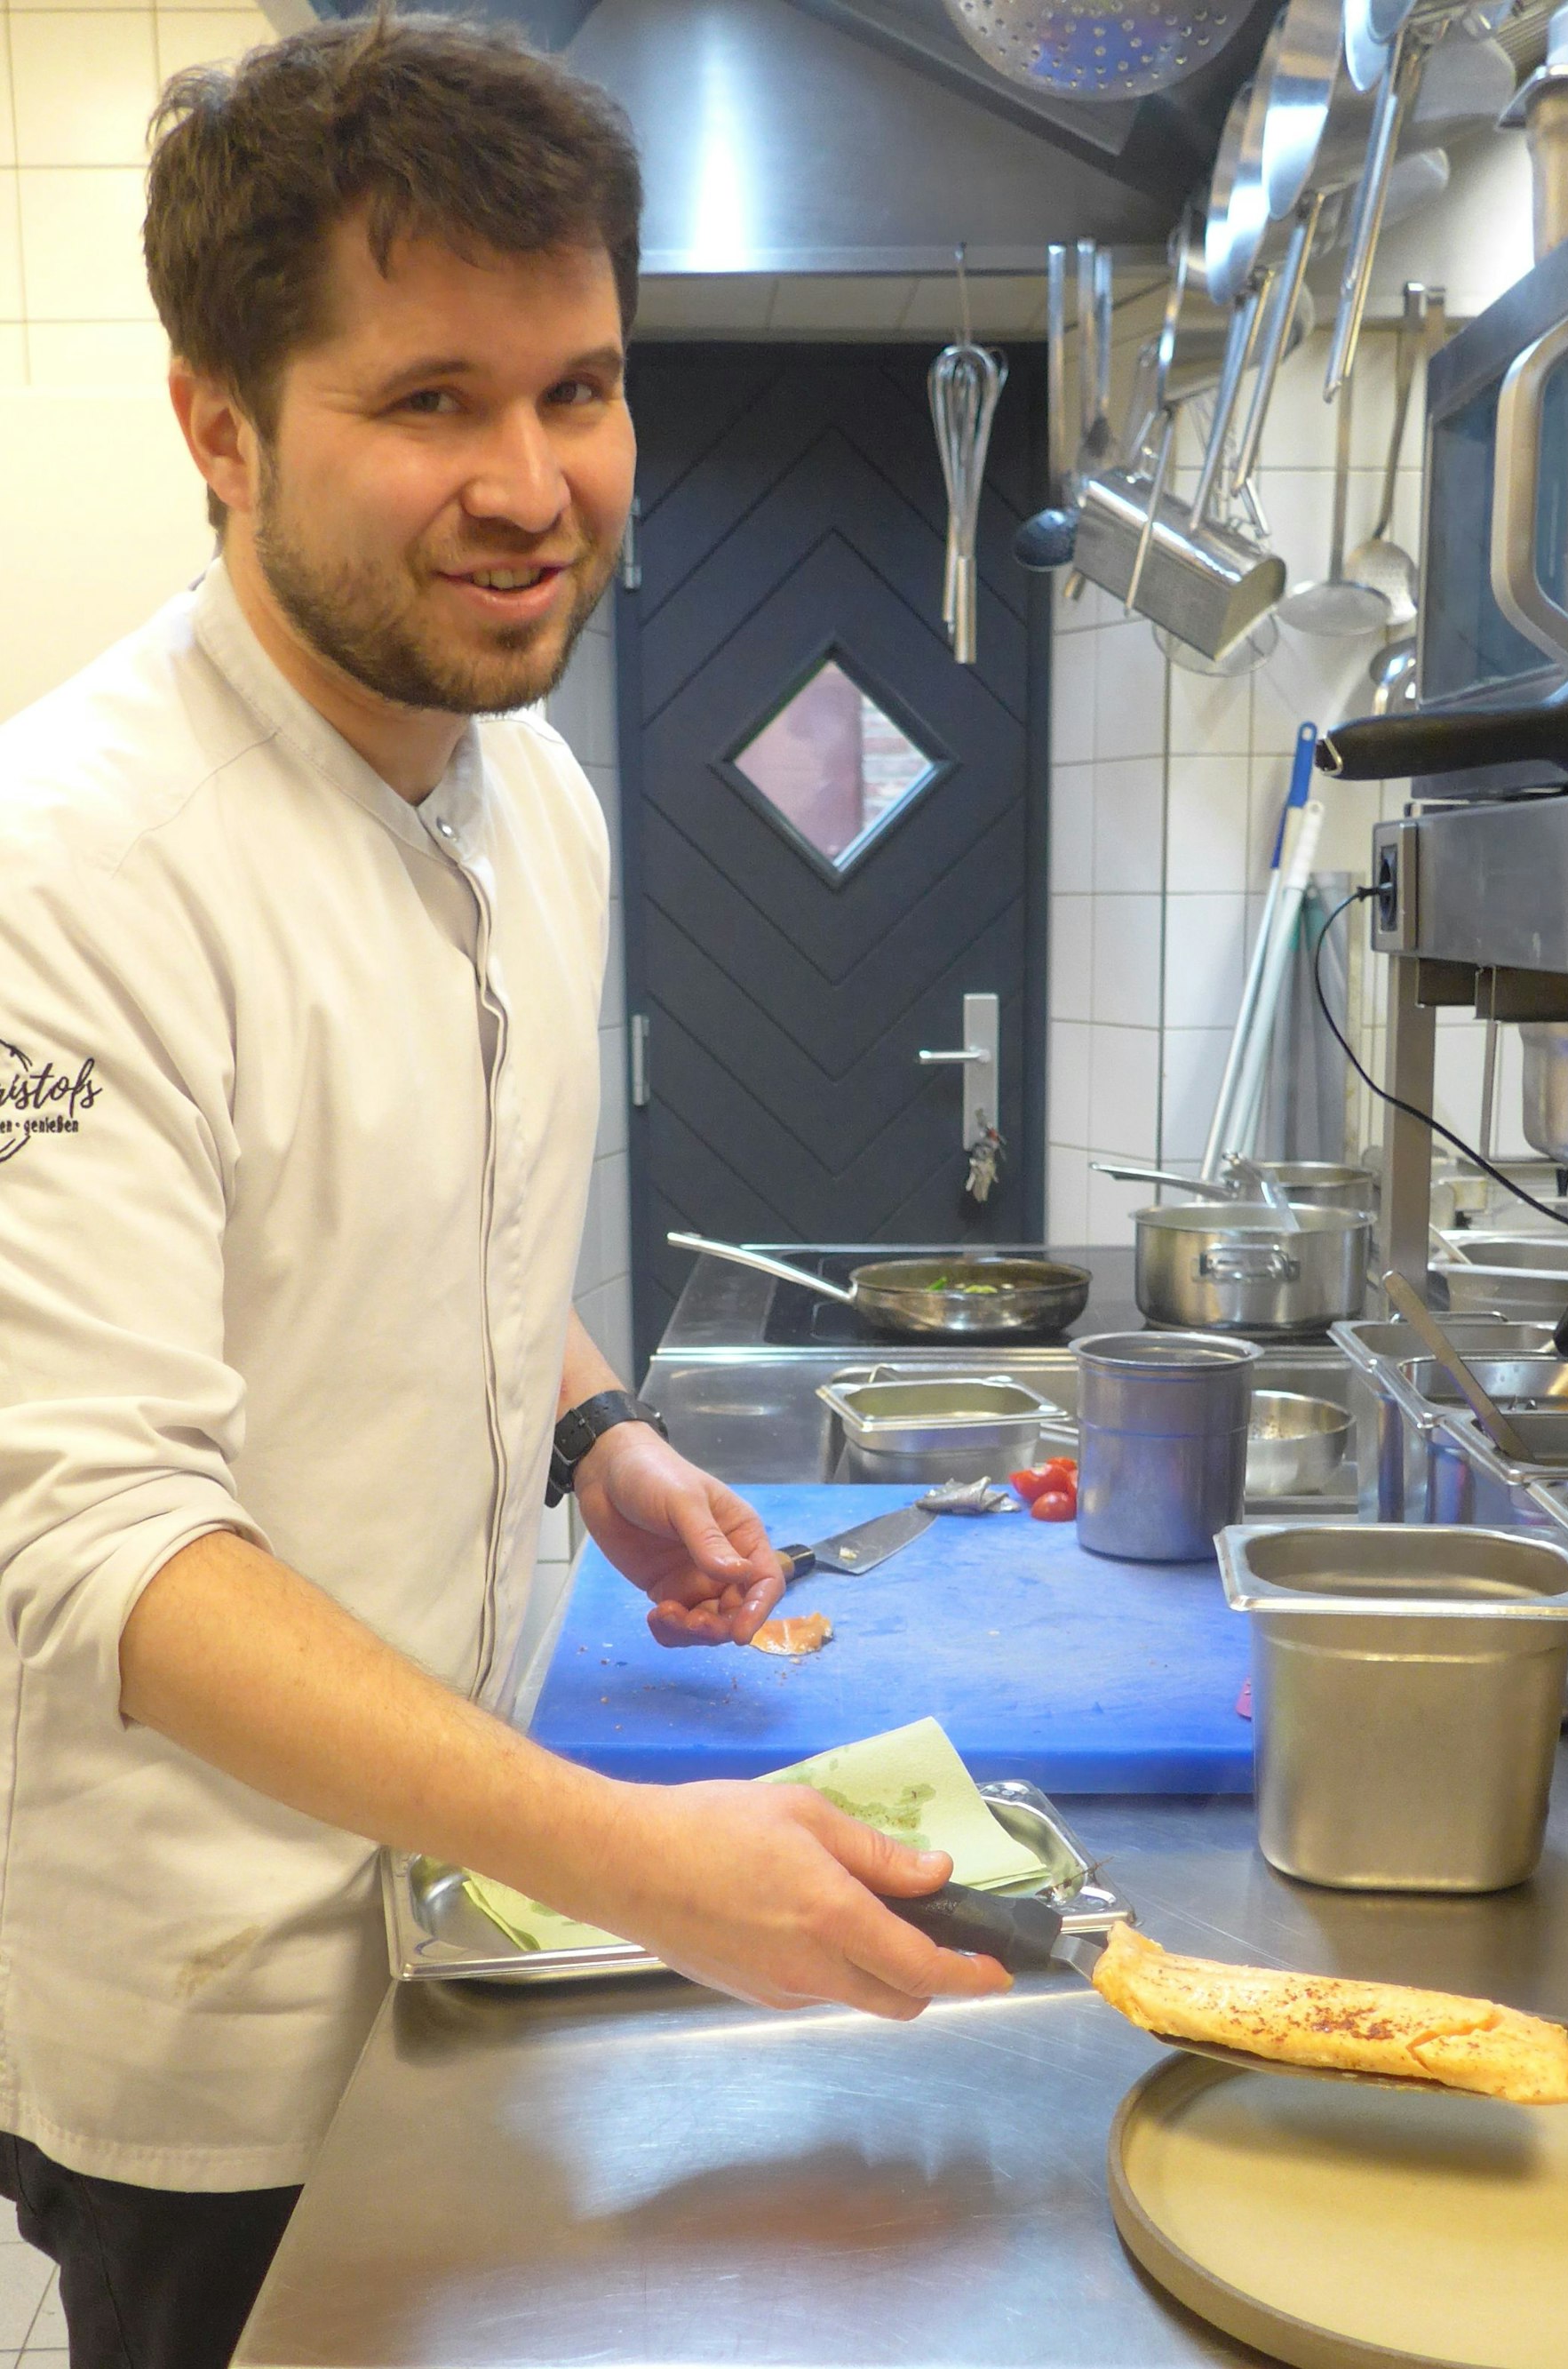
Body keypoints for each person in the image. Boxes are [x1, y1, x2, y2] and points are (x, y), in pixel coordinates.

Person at [0, 17, 1006, 2364]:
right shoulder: (72, 865)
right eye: (430, 398)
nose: (535, 478)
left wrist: (598, 1437)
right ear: (217, 424)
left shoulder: (531, 793)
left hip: (473, 1913)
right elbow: (93, 1548)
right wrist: (650, 1858)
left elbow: (427, 1236)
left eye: (580, 386)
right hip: (210, 2024)